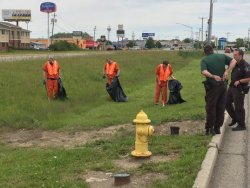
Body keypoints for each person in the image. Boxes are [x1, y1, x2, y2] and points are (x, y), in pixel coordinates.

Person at [201, 44, 236, 135]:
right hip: (223, 86)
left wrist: (213, 76)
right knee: (221, 106)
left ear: (205, 52)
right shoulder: (221, 56)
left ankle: (210, 127)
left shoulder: (204, 60)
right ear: (212, 50)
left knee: (211, 107)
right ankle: (217, 127)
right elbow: (233, 61)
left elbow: (204, 71)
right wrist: (227, 71)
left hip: (212, 87)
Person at [226, 49, 250, 131]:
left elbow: (248, 78)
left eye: (236, 55)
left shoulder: (245, 65)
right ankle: (235, 118)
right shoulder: (235, 64)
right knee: (226, 102)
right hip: (232, 87)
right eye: (234, 54)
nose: (234, 56)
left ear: (240, 55)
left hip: (240, 89)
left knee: (238, 107)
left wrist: (239, 81)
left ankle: (241, 125)